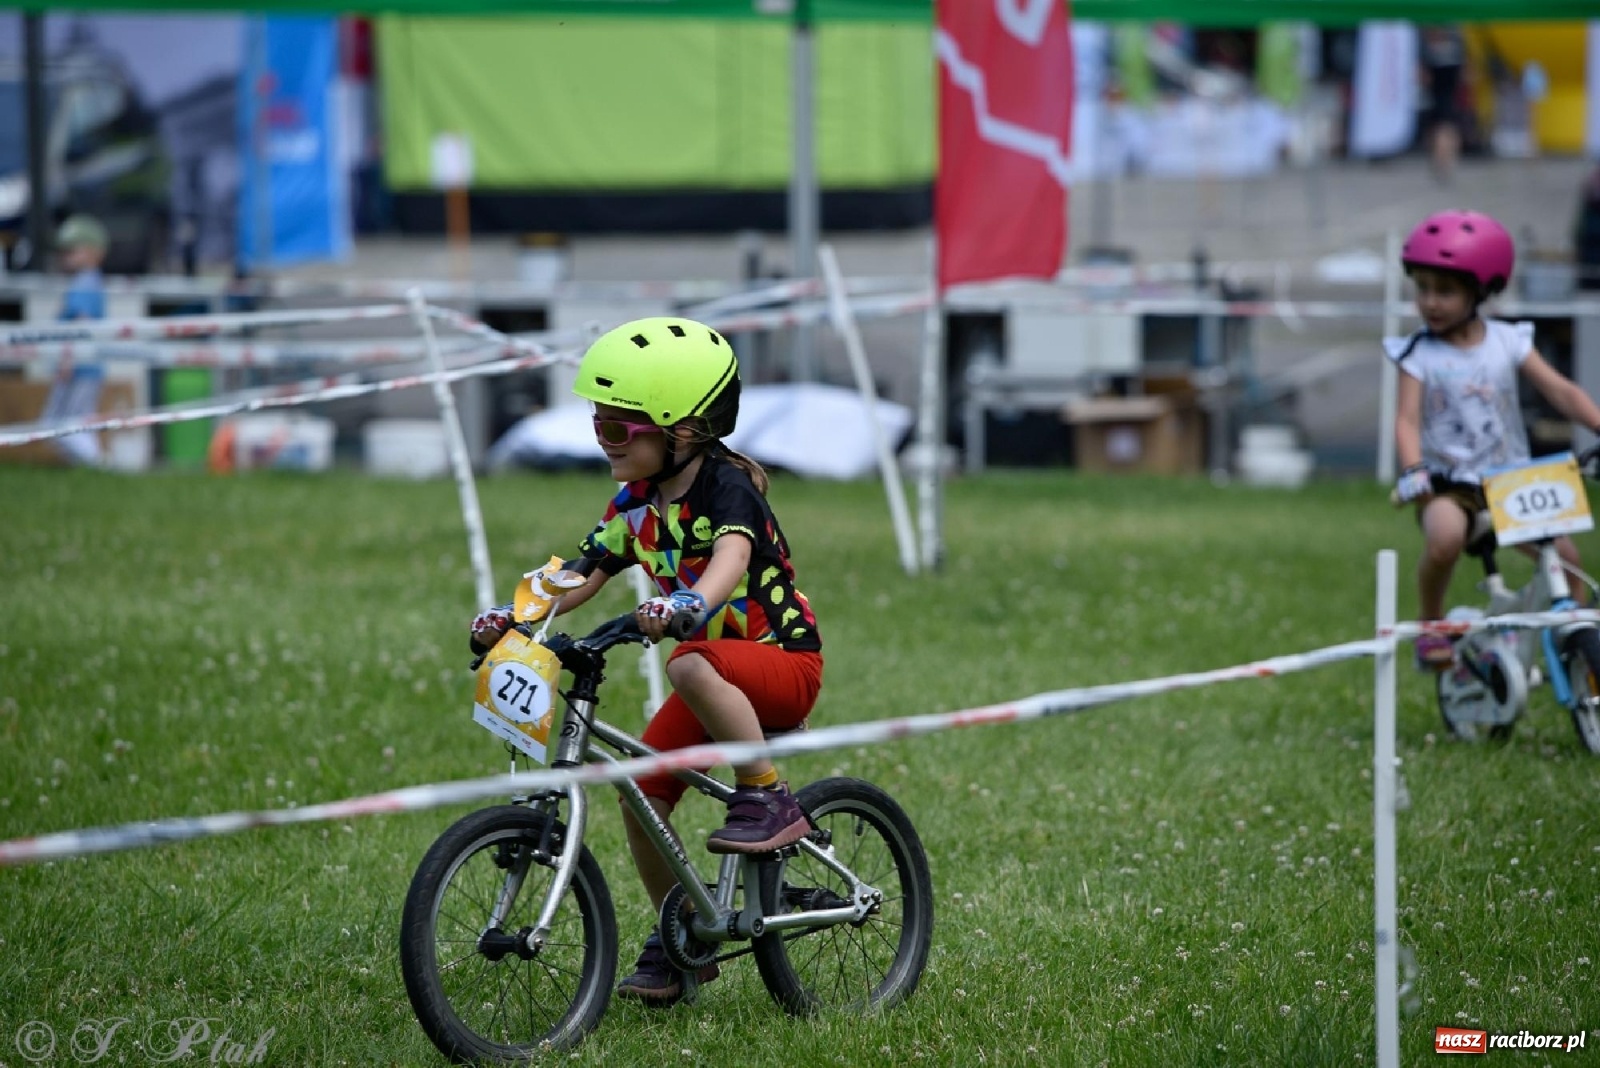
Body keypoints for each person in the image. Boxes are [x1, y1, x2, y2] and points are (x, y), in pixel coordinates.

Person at [468, 316, 824, 1005]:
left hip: (778, 663)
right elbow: (583, 571)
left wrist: (689, 602)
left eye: (615, 430)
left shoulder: (727, 489)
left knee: (686, 663)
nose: (601, 441)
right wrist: (515, 616)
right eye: (597, 424)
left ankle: (767, 795)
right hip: (709, 674)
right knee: (641, 793)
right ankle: (682, 928)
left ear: (682, 431)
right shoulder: (634, 504)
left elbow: (732, 558)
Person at [1389, 210, 1600, 670]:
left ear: (1480, 290)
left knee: (1567, 559)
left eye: (1444, 290)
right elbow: (1405, 421)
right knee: (1444, 537)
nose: (1430, 302)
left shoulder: (1508, 340)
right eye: (1422, 289)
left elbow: (1560, 391)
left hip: (1514, 480)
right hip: (1449, 483)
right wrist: (1412, 471)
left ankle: (1578, 644)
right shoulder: (1418, 354)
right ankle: (1430, 624)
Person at [1418, 25, 1466, 184]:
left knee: (1440, 133)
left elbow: (1424, 78)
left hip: (1437, 99)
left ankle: (1441, 163)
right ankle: (1446, 162)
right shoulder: (1455, 51)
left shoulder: (1430, 53)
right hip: (1450, 98)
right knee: (1448, 132)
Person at [55, 214, 109, 322]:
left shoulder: (85, 282)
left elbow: (83, 321)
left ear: (94, 251)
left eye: (71, 251)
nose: (64, 256)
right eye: (63, 251)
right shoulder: (86, 279)